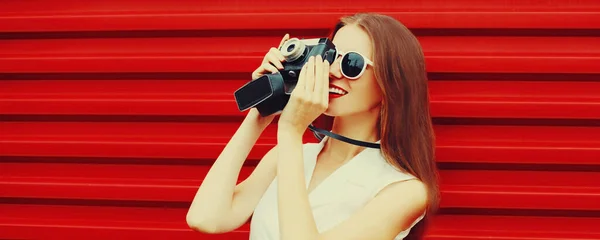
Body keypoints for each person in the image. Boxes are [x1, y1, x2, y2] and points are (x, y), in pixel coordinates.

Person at [186, 12, 440, 240]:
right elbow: (205, 218)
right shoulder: (291, 156)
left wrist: (290, 130)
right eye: (329, 57)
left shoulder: (404, 191)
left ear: (391, 83)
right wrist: (263, 108)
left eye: (351, 63)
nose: (330, 71)